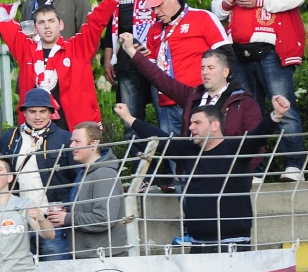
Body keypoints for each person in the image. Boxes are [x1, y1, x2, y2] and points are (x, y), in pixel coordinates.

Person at [114, 95, 290, 251]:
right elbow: (160, 139)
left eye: (197, 123)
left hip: (232, 243)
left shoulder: (236, 148)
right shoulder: (189, 149)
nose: (191, 127)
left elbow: (259, 135)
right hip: (198, 243)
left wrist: (276, 115)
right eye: (191, 123)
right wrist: (129, 118)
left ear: (215, 125)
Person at [0, 0, 128, 129]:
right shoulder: (26, 50)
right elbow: (0, 18)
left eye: (51, 21)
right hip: (35, 131)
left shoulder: (78, 47)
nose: (47, 26)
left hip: (77, 131)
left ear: (61, 25)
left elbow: (99, 18)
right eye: (41, 22)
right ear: (35, 28)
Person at [211, 0, 306, 181]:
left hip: (273, 51)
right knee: (249, 113)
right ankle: (254, 168)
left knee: (283, 107)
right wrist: (227, 1)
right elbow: (216, 8)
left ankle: (294, 165)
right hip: (240, 53)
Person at [101, 0, 180, 136]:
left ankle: (171, 167)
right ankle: (136, 168)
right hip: (126, 57)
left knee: (167, 119)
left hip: (155, 56)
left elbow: (178, 8)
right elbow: (111, 16)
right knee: (131, 123)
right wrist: (109, 54)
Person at [138, 0, 229, 136]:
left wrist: (216, 94)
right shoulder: (154, 30)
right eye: (153, 7)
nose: (156, 11)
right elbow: (152, 71)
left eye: (159, 5)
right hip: (167, 103)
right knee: (175, 154)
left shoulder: (202, 17)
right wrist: (138, 57)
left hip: (199, 100)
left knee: (206, 152)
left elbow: (226, 55)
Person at [119, 41, 262, 140]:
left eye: (211, 68)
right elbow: (160, 79)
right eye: (203, 68)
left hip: (228, 175)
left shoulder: (244, 103)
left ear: (226, 72)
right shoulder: (193, 96)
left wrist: (242, 174)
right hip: (191, 174)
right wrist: (131, 51)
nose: (205, 72)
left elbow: (256, 143)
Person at [0, 88, 74, 260]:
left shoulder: (65, 138)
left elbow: (77, 176)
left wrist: (67, 205)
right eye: (32, 111)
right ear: (23, 112)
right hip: (17, 220)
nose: (37, 117)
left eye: (42, 111)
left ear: (51, 113)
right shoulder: (10, 137)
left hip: (51, 219)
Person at [46, 122, 128, 259]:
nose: (71, 146)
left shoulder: (104, 174)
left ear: (94, 144)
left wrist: (66, 218)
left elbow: (104, 219)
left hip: (101, 257)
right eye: (72, 141)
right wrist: (66, 209)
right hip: (93, 254)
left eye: (77, 142)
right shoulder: (85, 172)